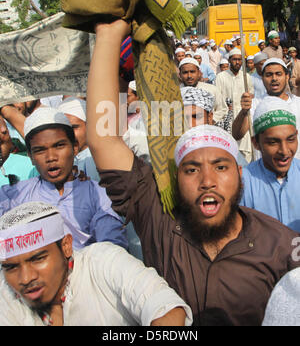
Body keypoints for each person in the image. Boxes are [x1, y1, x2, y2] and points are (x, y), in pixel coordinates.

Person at [85, 19, 300, 326]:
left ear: (241, 174)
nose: (207, 181)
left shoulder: (281, 245)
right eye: (191, 169)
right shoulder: (159, 222)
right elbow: (104, 139)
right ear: (176, 177)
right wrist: (108, 33)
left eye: (221, 167)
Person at [0, 202, 192, 326]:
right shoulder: (5, 294)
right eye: (11, 267)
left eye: (38, 259)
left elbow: (166, 309)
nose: (26, 278)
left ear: (66, 246)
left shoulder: (103, 261)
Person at [0, 106, 128, 251]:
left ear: (74, 148)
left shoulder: (97, 195)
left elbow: (112, 245)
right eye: (40, 150)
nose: (51, 157)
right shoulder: (14, 196)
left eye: (59, 146)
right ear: (30, 156)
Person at [240, 97, 300, 232]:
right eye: (273, 142)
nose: (284, 151)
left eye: (291, 140)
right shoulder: (243, 182)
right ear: (256, 143)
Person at [232, 58, 300, 160]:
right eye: (269, 75)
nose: (274, 78)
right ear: (262, 78)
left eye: (278, 74)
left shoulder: (297, 103)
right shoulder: (254, 104)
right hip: (264, 171)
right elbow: (237, 135)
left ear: (287, 77)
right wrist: (243, 112)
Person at [215, 48, 254, 163]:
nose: (237, 62)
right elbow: (218, 100)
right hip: (227, 118)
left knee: (245, 150)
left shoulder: (246, 77)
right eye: (234, 59)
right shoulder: (221, 77)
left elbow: (251, 96)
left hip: (244, 119)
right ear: (229, 60)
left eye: (239, 59)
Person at [58, 97, 100, 182]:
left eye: (74, 127)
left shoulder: (101, 158)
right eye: (63, 128)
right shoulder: (56, 160)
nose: (68, 133)